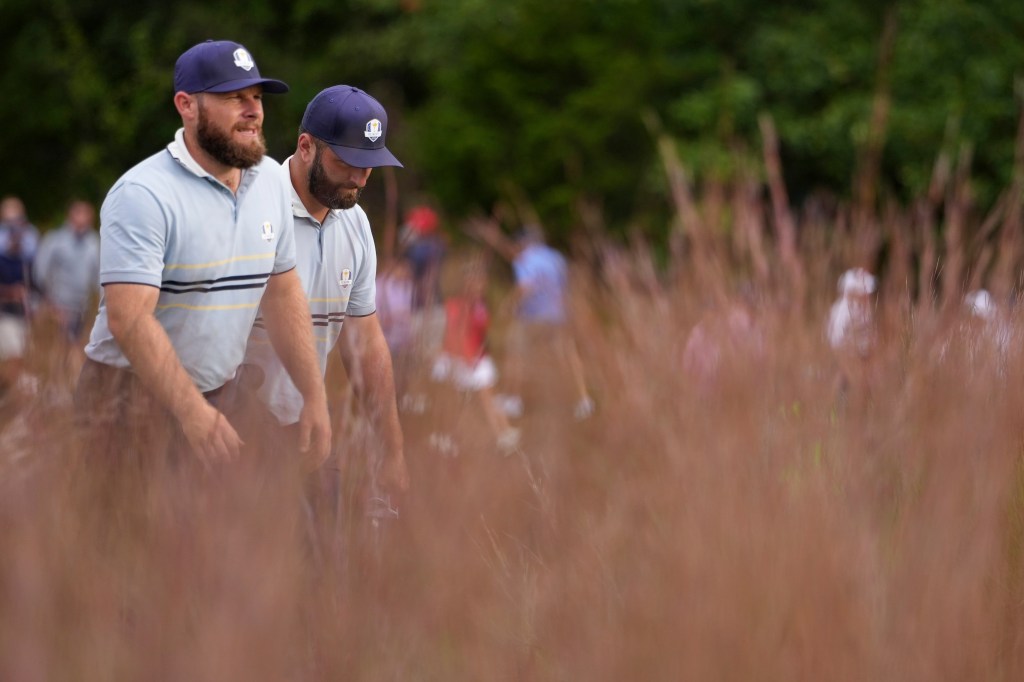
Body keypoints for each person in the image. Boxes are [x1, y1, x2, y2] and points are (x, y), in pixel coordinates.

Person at [76, 39, 330, 468]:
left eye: (257, 97)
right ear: (186, 105)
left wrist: (315, 396)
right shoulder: (143, 194)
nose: (254, 110)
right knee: (122, 536)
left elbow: (283, 291)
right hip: (125, 400)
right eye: (234, 98)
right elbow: (128, 318)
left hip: (220, 393)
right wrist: (191, 411)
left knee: (243, 527)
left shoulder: (271, 182)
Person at [241, 85, 409, 499]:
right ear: (305, 147)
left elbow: (365, 345)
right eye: (347, 161)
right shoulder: (248, 207)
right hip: (231, 430)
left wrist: (392, 451)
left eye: (370, 165)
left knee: (325, 559)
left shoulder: (356, 225)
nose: (360, 178)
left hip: (306, 427)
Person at [469, 218, 594, 420]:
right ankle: (584, 400)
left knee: (516, 355)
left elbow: (526, 285)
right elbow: (566, 286)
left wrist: (509, 304)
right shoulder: (557, 258)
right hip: (559, 315)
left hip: (532, 316)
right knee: (567, 357)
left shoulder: (525, 258)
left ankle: (513, 400)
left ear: (524, 242)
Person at [429, 258, 520, 456]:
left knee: (485, 397)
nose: (480, 284)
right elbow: (455, 335)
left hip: (477, 356)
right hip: (461, 359)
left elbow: (480, 332)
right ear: (467, 282)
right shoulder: (456, 305)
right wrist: (467, 357)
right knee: (458, 401)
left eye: (482, 280)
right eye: (476, 280)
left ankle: (501, 432)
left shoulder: (481, 304)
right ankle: (447, 436)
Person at [33, 199, 101, 345]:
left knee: (76, 352)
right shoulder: (54, 240)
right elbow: (40, 272)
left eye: (87, 215)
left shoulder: (94, 242)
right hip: (56, 308)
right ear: (70, 215)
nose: (84, 218)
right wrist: (50, 303)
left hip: (82, 310)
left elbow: (99, 278)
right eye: (80, 213)